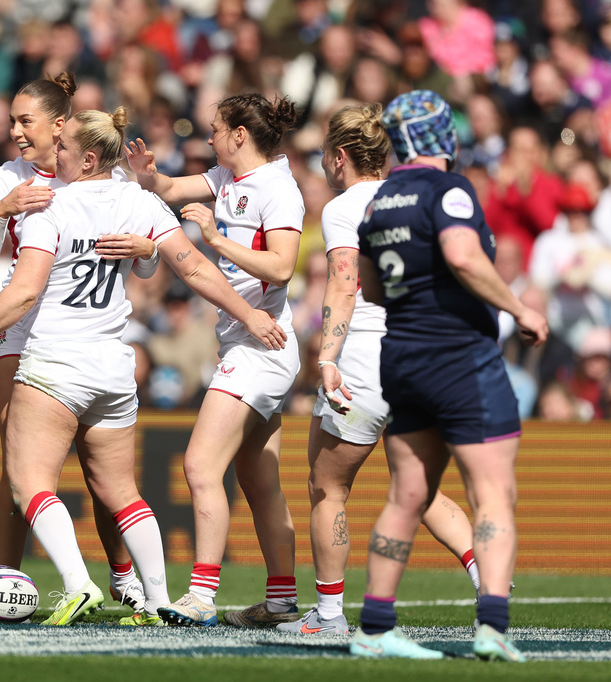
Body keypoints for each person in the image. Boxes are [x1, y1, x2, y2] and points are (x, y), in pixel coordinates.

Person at [0, 107, 286, 626]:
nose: (51, 153)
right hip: (114, 369)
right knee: (123, 493)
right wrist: (250, 315)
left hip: (56, 363)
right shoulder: (139, 200)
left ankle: (79, 584)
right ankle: (158, 598)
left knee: (29, 483)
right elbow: (191, 266)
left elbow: (26, 289)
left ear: (86, 158)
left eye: (62, 148)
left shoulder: (50, 206)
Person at [351, 91, 548, 661]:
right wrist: (519, 308)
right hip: (459, 356)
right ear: (441, 136)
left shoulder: (379, 200)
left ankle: (375, 628)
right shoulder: (449, 189)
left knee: (406, 495)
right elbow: (462, 255)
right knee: (492, 493)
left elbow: (368, 288)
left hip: (402, 357)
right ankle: (491, 626)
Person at [276, 103, 481, 638]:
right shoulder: (415, 198)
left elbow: (345, 281)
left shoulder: (345, 208)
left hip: (366, 357)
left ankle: (328, 615)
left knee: (328, 488)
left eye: (323, 151)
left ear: (339, 156)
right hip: (423, 354)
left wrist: (325, 357)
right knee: (421, 486)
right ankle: (490, 579)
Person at [0, 72, 160, 612]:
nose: (14, 132)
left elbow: (147, 261)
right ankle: (8, 582)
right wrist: (2, 211)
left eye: (24, 121)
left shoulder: (99, 173)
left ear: (59, 126)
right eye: (11, 121)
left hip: (83, 332)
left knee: (101, 471)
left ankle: (122, 574)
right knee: (19, 463)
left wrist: (145, 251)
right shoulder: (9, 175)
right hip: (18, 328)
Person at [126, 93, 304, 627]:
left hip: (261, 344)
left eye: (215, 130)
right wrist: (149, 176)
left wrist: (214, 241)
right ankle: (280, 602)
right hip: (246, 341)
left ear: (240, 135)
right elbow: (171, 190)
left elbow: (284, 266)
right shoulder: (229, 179)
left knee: (201, 464)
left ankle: (201, 595)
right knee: (259, 480)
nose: (209, 138)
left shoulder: (278, 189)